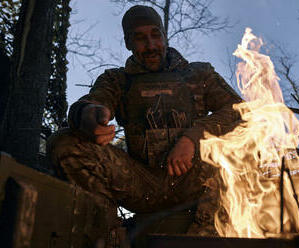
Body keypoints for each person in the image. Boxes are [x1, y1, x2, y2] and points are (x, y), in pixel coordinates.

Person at [47, 5, 241, 236]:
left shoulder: (200, 74)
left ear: (164, 36)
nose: (150, 45)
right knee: (65, 143)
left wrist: (193, 137)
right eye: (139, 38)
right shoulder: (117, 80)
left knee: (245, 151)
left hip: (197, 181)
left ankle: (202, 238)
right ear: (128, 43)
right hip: (143, 184)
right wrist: (90, 117)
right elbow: (91, 104)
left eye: (155, 35)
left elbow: (239, 111)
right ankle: (109, 235)